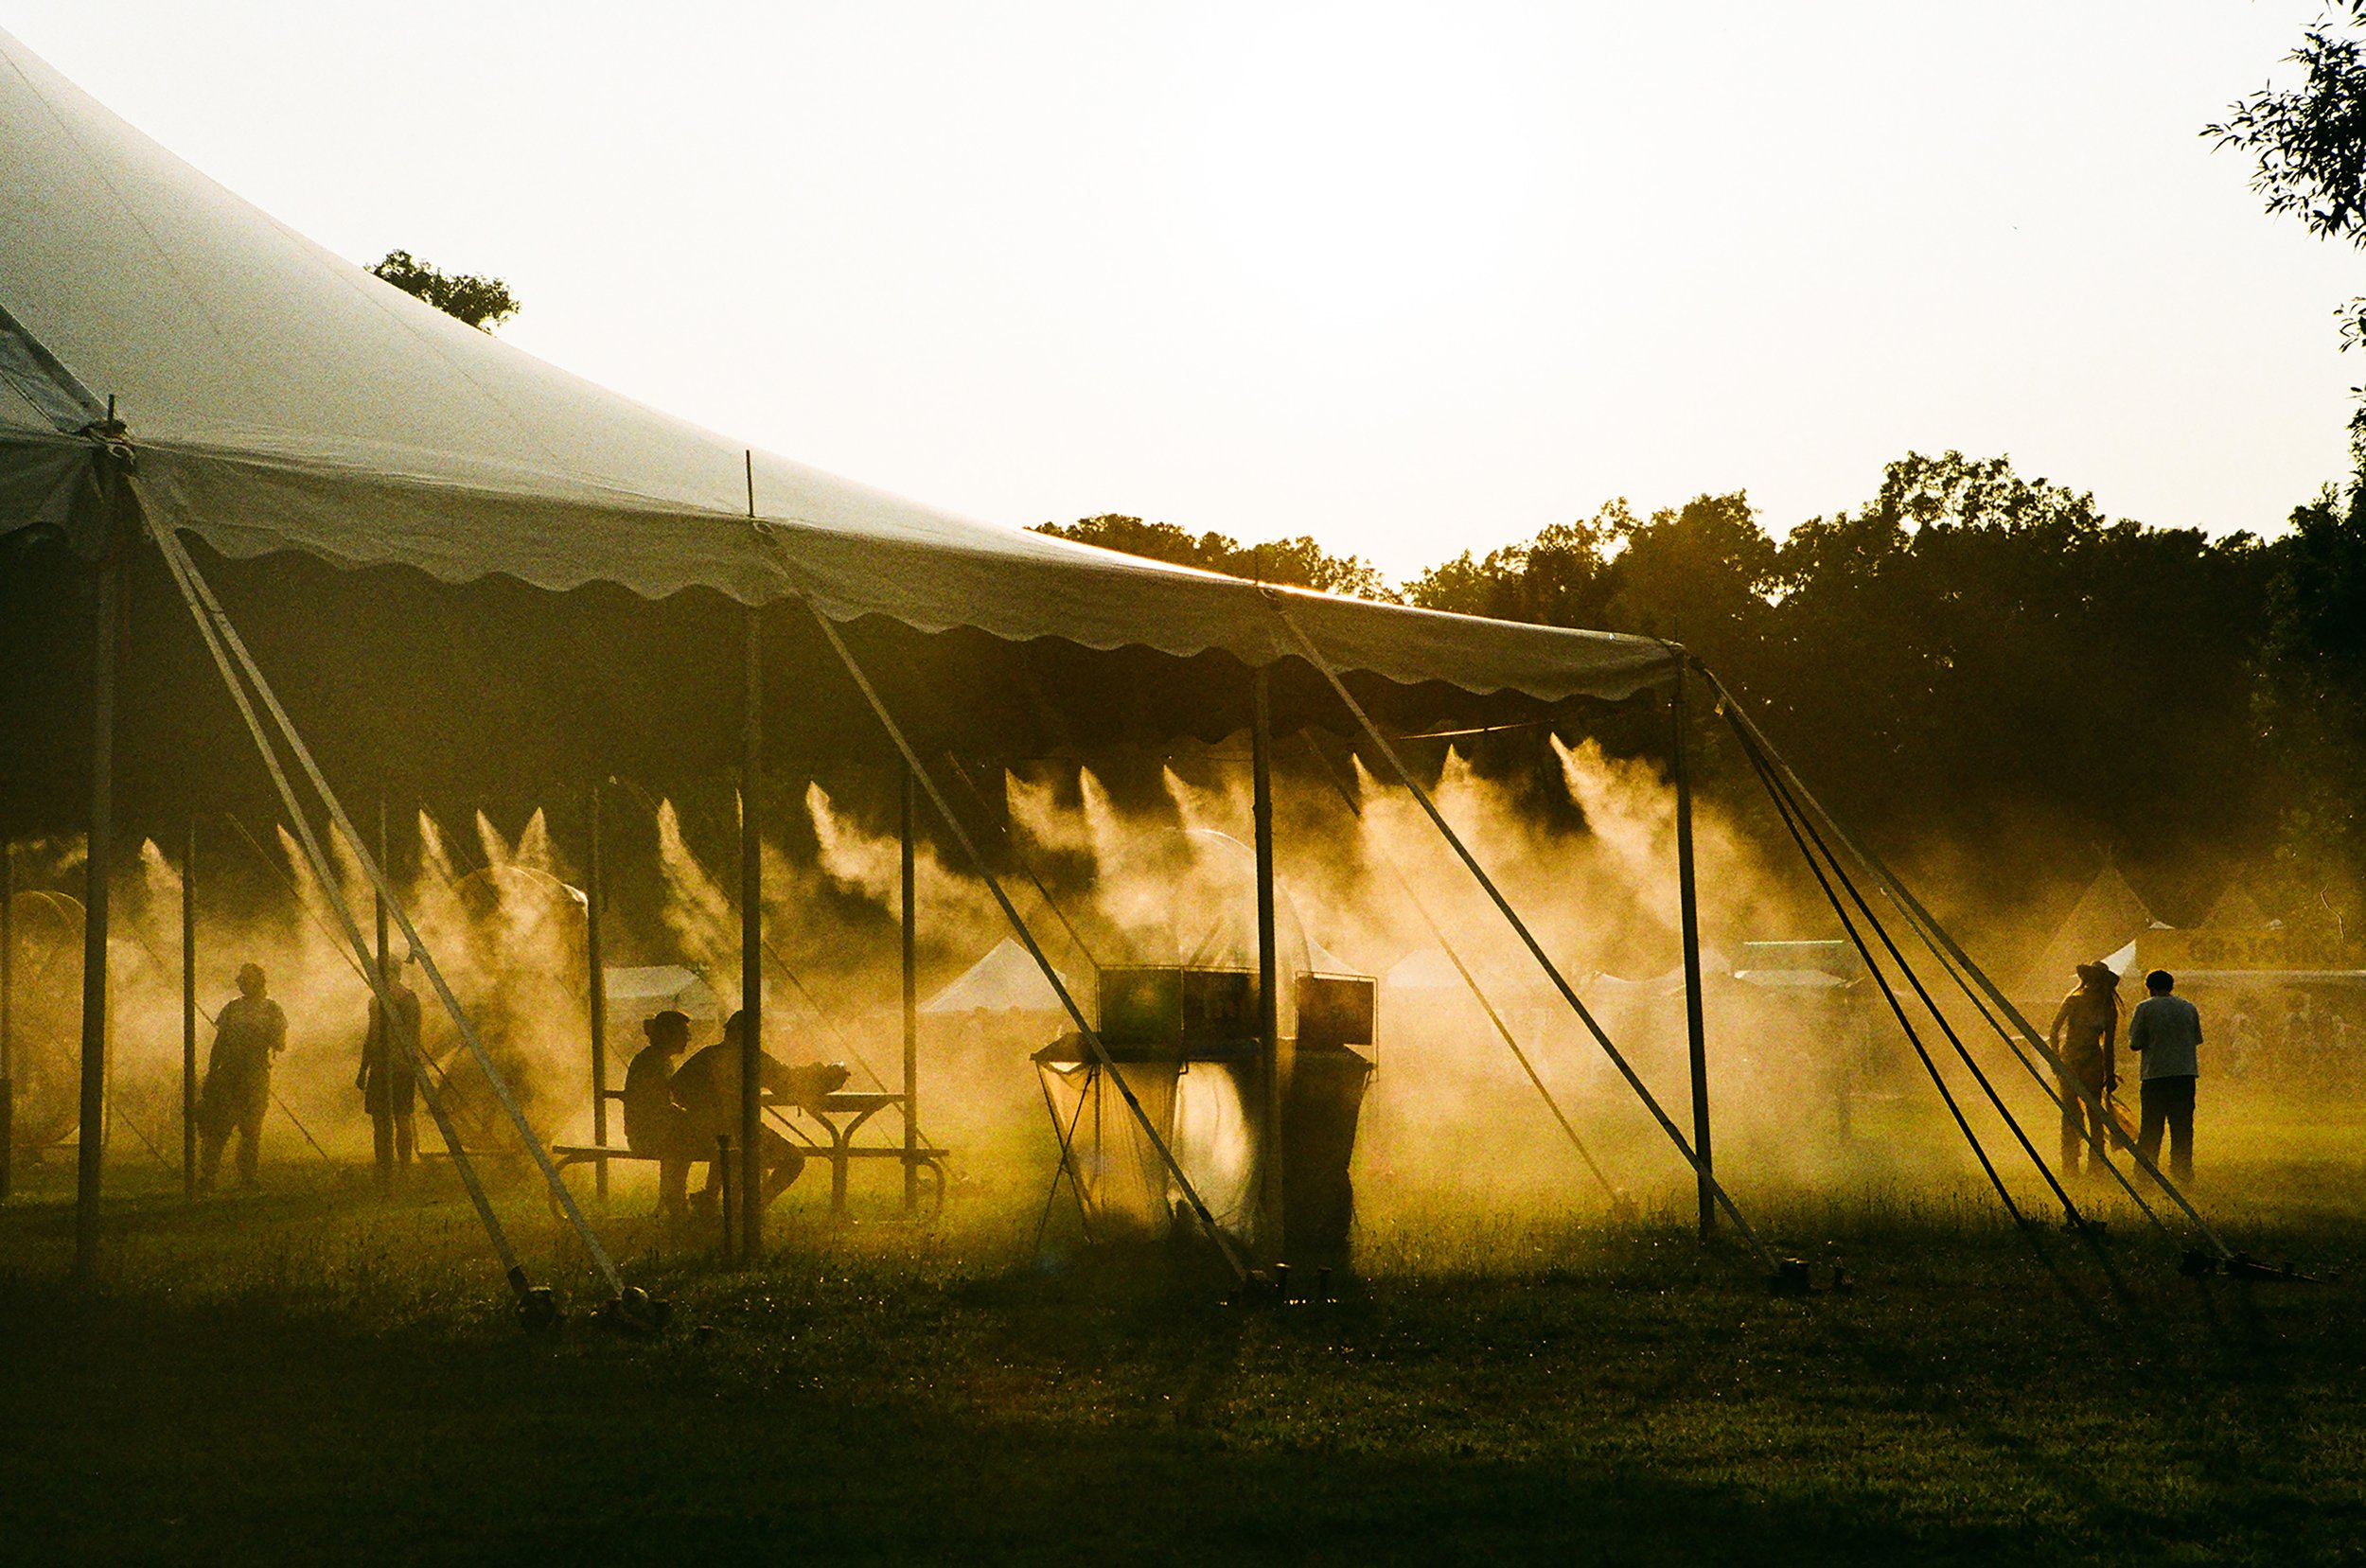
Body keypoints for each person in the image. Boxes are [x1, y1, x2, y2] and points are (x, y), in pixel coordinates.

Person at [670, 1010, 846, 1217]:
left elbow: (677, 1087)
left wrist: (703, 1110)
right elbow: (788, 1084)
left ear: (729, 1032)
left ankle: (710, 1199)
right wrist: (825, 1077)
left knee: (728, 1147)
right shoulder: (753, 1059)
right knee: (794, 1159)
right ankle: (755, 1207)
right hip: (741, 1131)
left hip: (701, 1132)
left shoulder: (707, 1055)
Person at [197, 961, 288, 1190]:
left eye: (247, 979)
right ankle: (208, 1176)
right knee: (220, 1126)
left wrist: (263, 1037)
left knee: (251, 1128)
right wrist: (211, 1071)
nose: (241, 982)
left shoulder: (271, 1009)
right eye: (241, 979)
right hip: (228, 1074)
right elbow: (219, 1043)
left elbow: (281, 1043)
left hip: (255, 1074)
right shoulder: (232, 1008)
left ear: (259, 982)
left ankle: (247, 1176)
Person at [621, 1009, 700, 1218]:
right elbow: (657, 1106)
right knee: (691, 1138)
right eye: (683, 1034)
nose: (687, 1039)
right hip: (646, 1136)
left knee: (686, 1136)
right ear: (668, 1035)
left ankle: (674, 1199)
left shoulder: (655, 1059)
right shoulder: (653, 1062)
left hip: (648, 1132)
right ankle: (678, 1201)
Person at [2128, 968, 2203, 1181]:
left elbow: (2135, 1043)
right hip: (2184, 1074)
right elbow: (2196, 1039)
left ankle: (2145, 1173)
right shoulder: (2189, 1008)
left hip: (2155, 1075)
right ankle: (2182, 1172)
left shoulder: (2144, 1008)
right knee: (2182, 1127)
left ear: (2149, 988)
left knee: (2151, 1128)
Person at [355, 951, 421, 1191]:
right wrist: (364, 1069)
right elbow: (372, 1036)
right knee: (380, 1122)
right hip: (380, 1068)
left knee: (401, 1118)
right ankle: (384, 1167)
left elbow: (413, 1036)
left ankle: (404, 1168)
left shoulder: (408, 1000)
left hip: (401, 1067)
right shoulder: (375, 1002)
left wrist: (409, 1060)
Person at [2047, 961, 2121, 1173]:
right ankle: (2071, 1163)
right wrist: (2056, 1061)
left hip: (2089, 1061)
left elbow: (2108, 1044)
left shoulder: (2107, 1007)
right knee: (2072, 1112)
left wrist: (2110, 1073)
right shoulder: (2074, 1002)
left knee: (2094, 1112)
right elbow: (2053, 1031)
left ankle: (2095, 1164)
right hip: (2072, 1060)